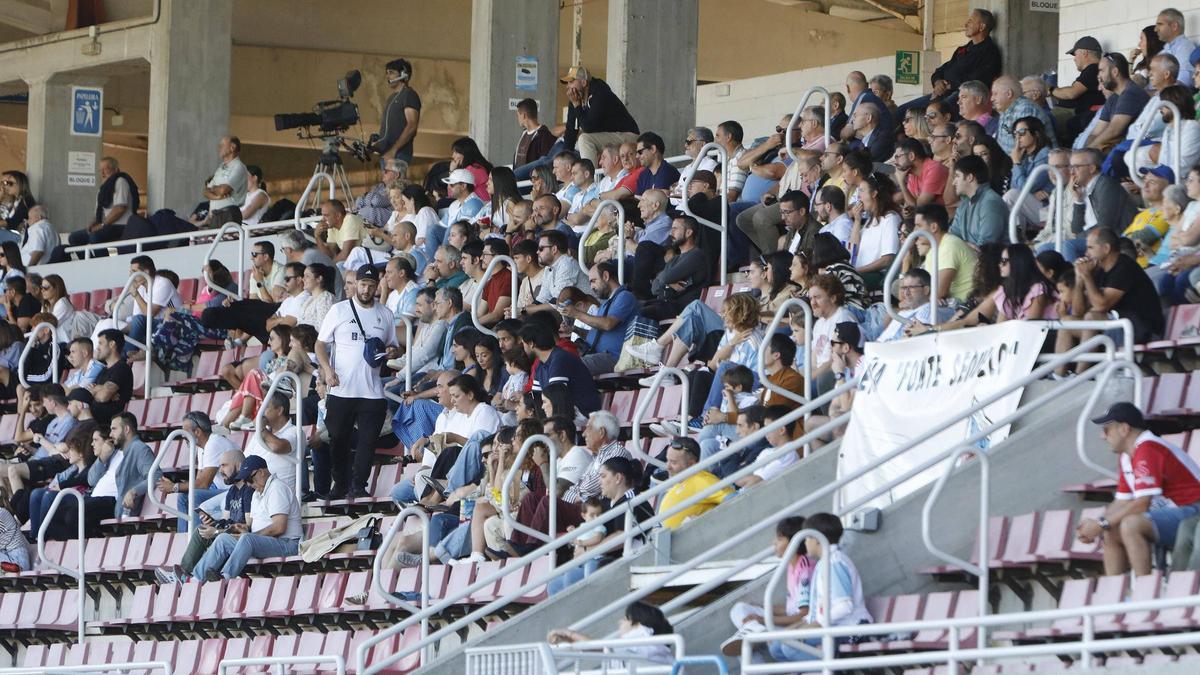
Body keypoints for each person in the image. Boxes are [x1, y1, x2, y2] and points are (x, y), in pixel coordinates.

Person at [1075, 402, 1200, 576]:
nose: (1102, 437)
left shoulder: (1148, 448)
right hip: (1175, 514)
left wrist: (1100, 524)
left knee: (1131, 524)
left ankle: (1145, 592)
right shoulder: (1127, 455)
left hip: (1194, 512)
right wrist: (1098, 525)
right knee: (1110, 531)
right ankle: (1115, 597)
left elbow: (1141, 504)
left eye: (1106, 430)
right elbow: (1122, 501)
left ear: (1124, 429)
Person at [316, 265, 400, 499]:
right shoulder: (339, 310)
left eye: (371, 286)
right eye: (363, 284)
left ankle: (359, 485)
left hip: (372, 391)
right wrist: (327, 370)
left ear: (377, 287)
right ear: (355, 284)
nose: (366, 289)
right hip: (342, 389)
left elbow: (394, 345)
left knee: (367, 441)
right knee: (338, 441)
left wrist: (393, 353)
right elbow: (320, 344)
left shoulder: (385, 314)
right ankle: (340, 484)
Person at [764, 512, 873, 662]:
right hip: (834, 627)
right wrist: (795, 629)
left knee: (791, 647)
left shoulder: (834, 563)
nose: (805, 543)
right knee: (778, 645)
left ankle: (833, 671)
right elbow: (815, 612)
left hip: (852, 630)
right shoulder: (824, 562)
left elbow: (845, 606)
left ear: (817, 539)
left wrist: (814, 626)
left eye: (807, 538)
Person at [547, 456, 655, 596]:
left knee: (578, 574)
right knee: (554, 584)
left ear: (618, 478)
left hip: (624, 563)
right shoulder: (604, 503)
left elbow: (621, 535)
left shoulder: (633, 500)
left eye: (603, 476)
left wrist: (588, 550)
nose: (600, 482)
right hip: (601, 560)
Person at [1057, 228, 1164, 362]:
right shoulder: (1099, 269)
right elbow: (1079, 312)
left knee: (1092, 317)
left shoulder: (1124, 267)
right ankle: (1059, 376)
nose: (1086, 253)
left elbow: (1101, 305)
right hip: (1118, 328)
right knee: (1067, 322)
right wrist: (1079, 279)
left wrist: (1087, 277)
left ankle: (1081, 375)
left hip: (1142, 329)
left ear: (1106, 248)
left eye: (1090, 248)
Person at [190, 455, 302, 582]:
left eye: (250, 479)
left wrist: (251, 535)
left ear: (261, 472)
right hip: (263, 543)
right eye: (246, 481)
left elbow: (279, 527)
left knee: (247, 539)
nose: (248, 484)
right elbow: (253, 529)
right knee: (223, 539)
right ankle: (195, 580)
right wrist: (242, 528)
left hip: (287, 544)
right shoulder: (257, 493)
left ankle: (225, 577)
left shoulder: (277, 488)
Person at [721, 516, 815, 656]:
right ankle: (753, 629)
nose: (774, 543)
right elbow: (791, 608)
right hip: (785, 623)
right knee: (739, 609)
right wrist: (762, 609)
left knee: (747, 641)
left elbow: (803, 615)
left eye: (779, 538)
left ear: (794, 542)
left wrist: (763, 619)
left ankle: (753, 630)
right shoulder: (791, 565)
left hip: (797, 628)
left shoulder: (805, 569)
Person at [153, 449, 251, 584]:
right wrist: (214, 523)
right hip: (229, 535)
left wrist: (217, 531)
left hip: (240, 540)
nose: (220, 470)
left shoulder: (249, 491)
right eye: (220, 466)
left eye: (224, 465)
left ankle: (190, 580)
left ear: (239, 465)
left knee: (218, 537)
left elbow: (247, 528)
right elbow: (227, 521)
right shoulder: (232, 491)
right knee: (201, 530)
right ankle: (183, 573)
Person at [895, 9, 1001, 121]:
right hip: (943, 93)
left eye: (970, 21)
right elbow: (941, 70)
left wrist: (949, 85)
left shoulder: (990, 51)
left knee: (935, 112)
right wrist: (938, 82)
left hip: (962, 96)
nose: (966, 24)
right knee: (902, 111)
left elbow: (977, 82)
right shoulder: (963, 49)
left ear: (982, 26)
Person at [559, 261, 639, 375]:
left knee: (570, 367)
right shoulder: (606, 304)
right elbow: (594, 334)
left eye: (593, 281)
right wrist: (574, 329)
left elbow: (608, 324)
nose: (591, 287)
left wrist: (576, 314)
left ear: (606, 276)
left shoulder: (625, 296)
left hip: (618, 357)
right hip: (600, 355)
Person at [1060, 148, 1139, 261]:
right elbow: (1076, 229)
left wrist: (1081, 236)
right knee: (1047, 247)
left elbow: (1105, 226)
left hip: (1118, 240)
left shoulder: (1106, 185)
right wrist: (1079, 200)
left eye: (1076, 167)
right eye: (1071, 167)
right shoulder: (1084, 189)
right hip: (1095, 239)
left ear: (1092, 168)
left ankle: (1074, 278)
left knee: (1068, 246)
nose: (1071, 172)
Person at [547, 602, 675, 667]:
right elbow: (602, 649)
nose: (620, 622)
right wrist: (570, 638)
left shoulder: (643, 642)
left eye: (625, 619)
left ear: (638, 624)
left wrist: (570, 635)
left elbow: (599, 647)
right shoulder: (652, 646)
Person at [559, 65, 640, 164]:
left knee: (585, 140)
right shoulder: (576, 98)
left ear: (584, 82)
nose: (568, 86)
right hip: (610, 135)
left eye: (571, 82)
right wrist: (563, 159)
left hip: (627, 135)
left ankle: (590, 177)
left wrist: (577, 105)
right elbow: (571, 130)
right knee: (567, 153)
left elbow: (588, 127)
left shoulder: (600, 92)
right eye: (567, 83)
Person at [520, 319, 601, 416]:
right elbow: (536, 397)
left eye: (523, 343)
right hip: (564, 412)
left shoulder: (559, 359)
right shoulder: (541, 365)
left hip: (582, 413)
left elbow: (556, 398)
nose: (523, 348)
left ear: (531, 343)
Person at [60, 157, 138, 258]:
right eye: (100, 170)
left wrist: (102, 225)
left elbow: (120, 208)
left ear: (115, 169)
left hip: (122, 226)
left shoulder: (120, 181)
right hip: (107, 225)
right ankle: (89, 263)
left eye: (106, 169)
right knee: (74, 238)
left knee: (95, 236)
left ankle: (104, 263)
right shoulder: (103, 189)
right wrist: (91, 224)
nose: (102, 173)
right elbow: (99, 213)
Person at [642, 217, 710, 320]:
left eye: (675, 229)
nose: (671, 233)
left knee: (640, 312)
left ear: (688, 233)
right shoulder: (676, 258)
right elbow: (654, 288)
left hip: (683, 309)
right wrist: (668, 282)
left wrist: (665, 281)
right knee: (637, 307)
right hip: (667, 304)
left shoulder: (696, 256)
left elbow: (665, 277)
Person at [657, 437, 732, 529]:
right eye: (667, 460)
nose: (667, 467)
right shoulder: (679, 481)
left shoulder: (702, 480)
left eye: (673, 462)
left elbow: (735, 498)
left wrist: (707, 522)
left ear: (691, 464)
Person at [1085, 53, 1150, 153]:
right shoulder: (1113, 98)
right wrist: (1084, 151)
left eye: (1102, 70)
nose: (1099, 76)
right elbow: (1095, 133)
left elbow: (1114, 131)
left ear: (1115, 72)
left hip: (1132, 153)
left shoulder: (1131, 93)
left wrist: (1088, 151)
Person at [912, 203, 977, 304]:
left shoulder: (949, 245)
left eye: (918, 226)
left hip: (964, 306)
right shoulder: (933, 249)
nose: (914, 231)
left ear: (934, 227)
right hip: (949, 304)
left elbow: (938, 292)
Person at [370, 58, 421, 170]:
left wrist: (394, 150)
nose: (388, 76)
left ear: (403, 74)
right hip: (387, 154)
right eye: (387, 73)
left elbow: (412, 126)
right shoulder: (392, 98)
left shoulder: (409, 95)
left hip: (397, 154)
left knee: (395, 186)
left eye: (391, 72)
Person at [1053, 36, 1107, 142]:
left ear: (1084, 53)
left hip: (1084, 117)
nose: (1074, 58)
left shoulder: (1093, 69)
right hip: (1081, 117)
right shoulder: (1094, 69)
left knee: (1048, 119)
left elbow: (1072, 93)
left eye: (1075, 54)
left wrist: (1050, 90)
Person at [947, 155, 1008, 248]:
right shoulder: (964, 204)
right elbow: (952, 238)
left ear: (970, 177)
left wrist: (961, 245)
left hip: (992, 260)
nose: (954, 182)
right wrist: (965, 245)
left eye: (957, 176)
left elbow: (985, 247)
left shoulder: (991, 203)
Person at [991, 75, 1056, 154]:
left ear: (1009, 94)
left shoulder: (1025, 109)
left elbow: (1025, 150)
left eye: (995, 94)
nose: (992, 98)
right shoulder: (1005, 110)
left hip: (1036, 164)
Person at [87, 329, 133, 430]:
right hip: (94, 423)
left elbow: (103, 397)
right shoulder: (103, 370)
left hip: (108, 426)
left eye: (100, 343)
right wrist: (100, 389)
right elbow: (89, 393)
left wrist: (96, 390)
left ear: (112, 344)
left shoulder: (122, 368)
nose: (97, 348)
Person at [201, 136, 248, 227]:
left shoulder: (238, 166)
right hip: (215, 215)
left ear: (232, 147)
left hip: (229, 214)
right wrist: (218, 196)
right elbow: (205, 191)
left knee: (227, 241)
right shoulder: (220, 168)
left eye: (222, 145)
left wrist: (214, 189)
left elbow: (224, 190)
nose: (219, 148)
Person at [894, 139, 949, 209]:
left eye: (897, 157)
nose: (895, 161)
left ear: (911, 156)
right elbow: (911, 202)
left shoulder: (934, 169)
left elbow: (919, 207)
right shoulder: (912, 174)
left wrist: (901, 182)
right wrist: (908, 212)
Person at [1155, 8, 1196, 87]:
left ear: (1174, 26)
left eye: (1160, 24)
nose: (1156, 29)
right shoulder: (1162, 52)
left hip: (1175, 96)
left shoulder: (1186, 47)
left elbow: (1185, 80)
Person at [513, 98, 556, 170]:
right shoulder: (523, 133)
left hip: (532, 180)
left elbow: (545, 163)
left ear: (523, 115)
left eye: (518, 115)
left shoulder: (544, 135)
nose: (517, 118)